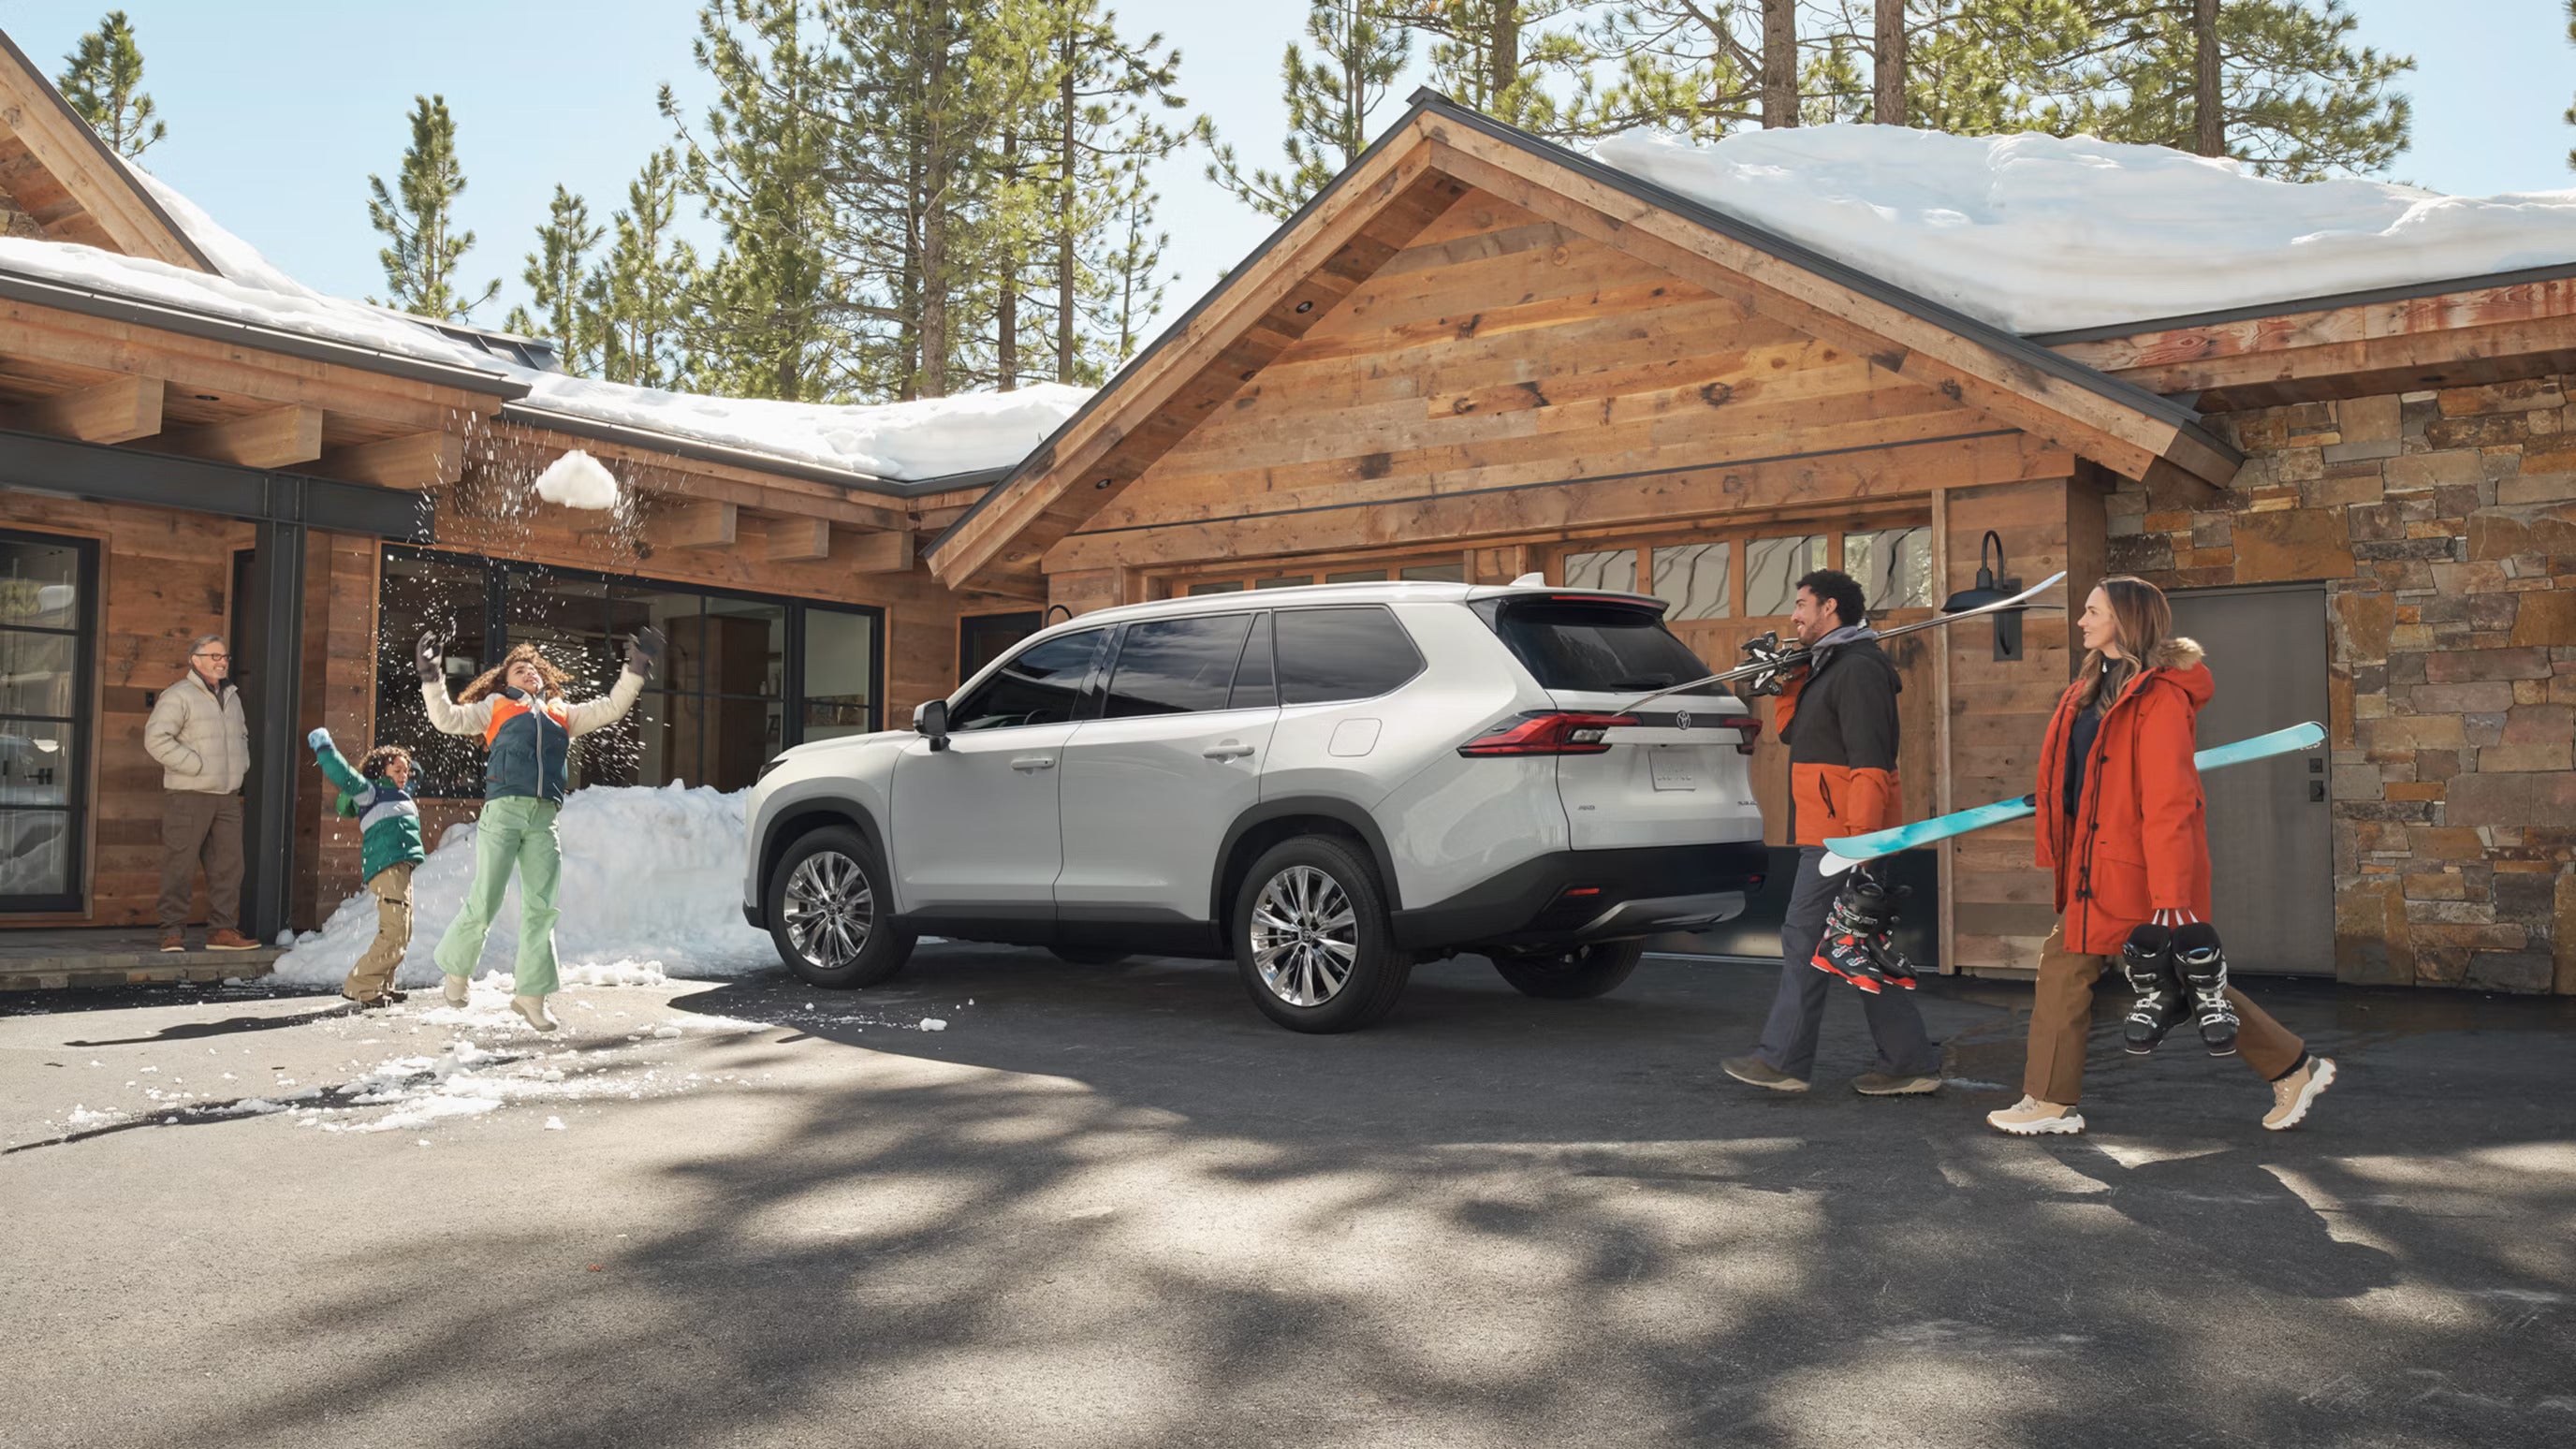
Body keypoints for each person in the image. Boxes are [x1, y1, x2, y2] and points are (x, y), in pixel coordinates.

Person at [1987, 576, 2337, 1136]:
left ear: (2125, 620)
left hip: (2135, 868)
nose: (2081, 620)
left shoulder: (2160, 698)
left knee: (2073, 970)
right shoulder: (2092, 687)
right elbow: (2085, 771)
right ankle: (2295, 1067)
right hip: (2094, 863)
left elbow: (2171, 800)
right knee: (2174, 977)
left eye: (2092, 611)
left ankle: (2050, 1101)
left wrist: (2173, 897)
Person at [1720, 569, 1944, 1097]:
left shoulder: (1860, 669)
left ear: (1830, 608)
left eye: (1801, 604)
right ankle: (1908, 1063)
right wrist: (1787, 679)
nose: (1794, 615)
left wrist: (1860, 845)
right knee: (1855, 943)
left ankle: (1784, 1060)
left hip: (1843, 840)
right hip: (1829, 833)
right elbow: (1794, 732)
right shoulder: (1827, 666)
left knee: (1806, 937)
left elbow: (1872, 762)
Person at [419, 629, 660, 1032]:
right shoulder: (494, 706)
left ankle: (532, 996)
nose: (528, 673)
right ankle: (456, 973)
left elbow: (613, 707)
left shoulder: (562, 712)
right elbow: (445, 719)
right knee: (486, 900)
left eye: (533, 669)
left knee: (542, 908)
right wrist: (431, 675)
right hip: (504, 812)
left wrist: (635, 668)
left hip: (544, 816)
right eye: (519, 669)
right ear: (505, 681)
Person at [142, 634, 256, 953]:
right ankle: (171, 932)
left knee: (230, 867)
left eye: (225, 657)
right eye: (214, 656)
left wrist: (241, 765)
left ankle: (222, 931)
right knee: (180, 864)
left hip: (227, 796)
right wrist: (195, 765)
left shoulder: (231, 696)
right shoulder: (178, 695)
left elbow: (242, 736)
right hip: (188, 794)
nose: (222, 662)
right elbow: (156, 739)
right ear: (196, 660)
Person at [307, 731, 426, 1009]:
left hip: (402, 867)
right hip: (386, 866)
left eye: (405, 770)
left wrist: (403, 760)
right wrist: (325, 748)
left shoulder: (401, 793)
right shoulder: (370, 792)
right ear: (380, 771)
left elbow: (417, 771)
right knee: (394, 929)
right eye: (397, 769)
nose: (404, 774)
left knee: (403, 930)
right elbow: (343, 774)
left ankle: (383, 982)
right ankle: (360, 985)